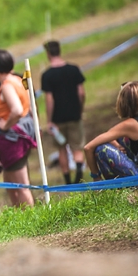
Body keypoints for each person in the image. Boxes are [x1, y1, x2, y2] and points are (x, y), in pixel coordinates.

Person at [84, 81, 138, 180]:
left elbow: (88, 148)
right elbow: (109, 134)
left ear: (123, 103)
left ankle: (113, 185)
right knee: (121, 139)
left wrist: (96, 177)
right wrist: (117, 145)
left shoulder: (131, 125)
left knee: (102, 149)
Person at [0, 49, 36, 207]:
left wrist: (6, 125)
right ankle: (19, 213)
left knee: (21, 184)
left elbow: (16, 109)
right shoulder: (18, 79)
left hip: (13, 138)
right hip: (22, 133)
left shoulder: (7, 86)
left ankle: (30, 215)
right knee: (10, 181)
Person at [41, 40, 86, 184]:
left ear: (48, 54)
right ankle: (79, 175)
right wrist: (80, 109)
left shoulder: (47, 75)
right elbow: (81, 93)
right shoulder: (74, 69)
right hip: (74, 115)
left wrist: (49, 120)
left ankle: (68, 181)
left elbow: (49, 100)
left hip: (58, 119)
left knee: (62, 149)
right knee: (77, 148)